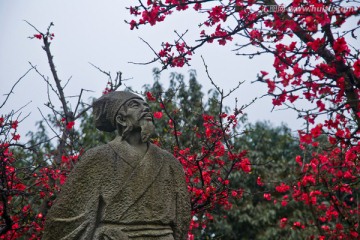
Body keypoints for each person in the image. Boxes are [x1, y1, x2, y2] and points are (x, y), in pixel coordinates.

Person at [43, 91, 190, 240]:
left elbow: (183, 216)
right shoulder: (98, 158)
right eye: (135, 105)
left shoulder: (169, 162)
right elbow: (66, 215)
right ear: (121, 119)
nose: (145, 109)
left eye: (146, 105)